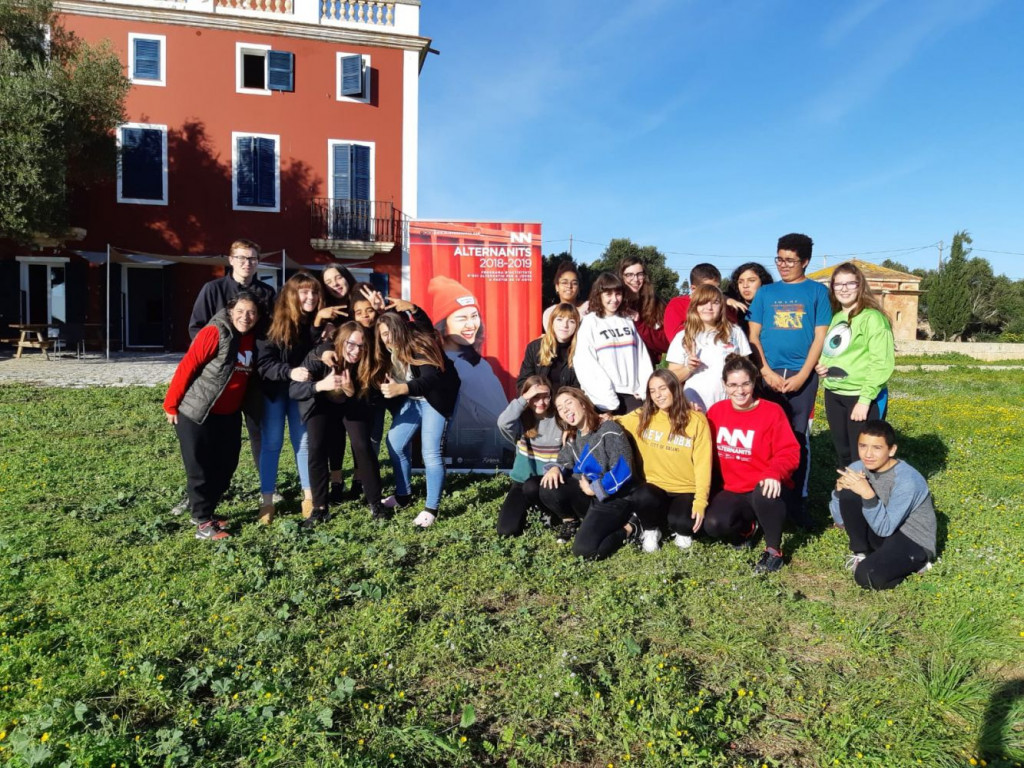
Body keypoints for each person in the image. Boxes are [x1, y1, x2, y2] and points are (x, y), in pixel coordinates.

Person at [172, 239, 275, 516]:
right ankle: (196, 497)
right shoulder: (213, 289)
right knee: (203, 445)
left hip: (251, 376)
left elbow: (273, 331)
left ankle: (266, 491)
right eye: (242, 258)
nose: (247, 263)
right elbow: (197, 330)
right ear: (231, 260)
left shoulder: (267, 293)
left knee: (257, 435)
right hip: (216, 379)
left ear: (258, 262)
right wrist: (218, 357)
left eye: (252, 258)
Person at [747, 233, 832, 525]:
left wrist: (804, 375)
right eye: (779, 259)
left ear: (805, 261)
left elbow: (820, 336)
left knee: (798, 438)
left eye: (790, 261)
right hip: (767, 375)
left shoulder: (817, 293)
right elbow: (753, 335)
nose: (783, 265)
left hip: (801, 377)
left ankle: (798, 501)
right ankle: (763, 498)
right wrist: (765, 372)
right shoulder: (766, 293)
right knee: (764, 437)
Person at [164, 293, 261, 540]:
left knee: (226, 464)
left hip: (227, 414)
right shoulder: (215, 332)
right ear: (230, 311)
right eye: (240, 311)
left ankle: (204, 512)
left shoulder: (253, 338)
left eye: (251, 312)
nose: (245, 317)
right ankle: (203, 524)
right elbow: (188, 366)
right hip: (197, 412)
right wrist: (171, 405)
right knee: (200, 467)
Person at [704, 356, 800, 574]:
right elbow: (702, 446)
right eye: (733, 385)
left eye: (745, 383)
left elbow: (790, 451)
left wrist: (774, 472)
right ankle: (749, 528)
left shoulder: (772, 411)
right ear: (724, 385)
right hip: (732, 488)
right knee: (714, 525)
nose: (740, 390)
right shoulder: (717, 411)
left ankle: (774, 550)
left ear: (754, 382)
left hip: (764, 487)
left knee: (765, 492)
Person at [815, 263, 895, 521]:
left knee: (866, 456)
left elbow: (881, 362)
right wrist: (823, 366)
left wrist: (865, 399)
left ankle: (872, 508)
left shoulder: (873, 318)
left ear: (860, 286)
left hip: (861, 397)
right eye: (839, 284)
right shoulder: (837, 316)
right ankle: (845, 508)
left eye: (850, 283)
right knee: (844, 453)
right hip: (834, 393)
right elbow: (838, 351)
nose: (844, 289)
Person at [290, 321, 387, 526]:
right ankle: (320, 508)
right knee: (316, 446)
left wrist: (352, 391)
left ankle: (376, 504)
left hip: (351, 405)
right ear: (341, 342)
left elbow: (371, 401)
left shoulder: (368, 363)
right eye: (351, 344)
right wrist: (320, 385)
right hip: (321, 404)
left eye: (362, 346)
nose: (356, 351)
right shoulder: (320, 356)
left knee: (362, 445)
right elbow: (294, 390)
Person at [373, 309, 461, 528]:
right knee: (395, 443)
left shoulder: (419, 344)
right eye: (383, 334)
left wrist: (401, 388)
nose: (388, 338)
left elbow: (430, 379)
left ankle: (431, 509)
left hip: (436, 398)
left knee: (430, 452)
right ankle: (403, 496)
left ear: (401, 329)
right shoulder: (384, 351)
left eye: (391, 331)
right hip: (412, 398)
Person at [829, 420, 936, 589]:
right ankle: (862, 554)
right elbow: (840, 520)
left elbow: (885, 528)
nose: (868, 454)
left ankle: (917, 563)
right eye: (863, 446)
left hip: (912, 539)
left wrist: (868, 494)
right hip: (884, 531)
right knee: (850, 491)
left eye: (877, 448)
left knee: (867, 577)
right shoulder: (857, 467)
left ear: (892, 450)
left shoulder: (907, 480)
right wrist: (837, 492)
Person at [616, 370, 712, 552]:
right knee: (641, 496)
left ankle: (675, 524)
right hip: (654, 488)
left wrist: (701, 501)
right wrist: (580, 424)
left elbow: (703, 465)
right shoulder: (642, 416)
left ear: (675, 388)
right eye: (652, 391)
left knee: (683, 524)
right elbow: (614, 422)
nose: (658, 395)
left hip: (685, 489)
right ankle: (651, 530)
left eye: (662, 388)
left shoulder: (697, 420)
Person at [538, 387, 637, 559]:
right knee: (548, 486)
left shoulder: (609, 429)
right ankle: (575, 522)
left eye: (568, 402)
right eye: (560, 408)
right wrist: (554, 468)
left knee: (585, 552)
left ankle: (631, 527)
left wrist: (596, 489)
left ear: (583, 403)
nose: (565, 409)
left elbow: (624, 468)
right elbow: (563, 460)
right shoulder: (574, 436)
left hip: (615, 498)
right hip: (589, 496)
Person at [255, 272, 322, 524]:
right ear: (291, 294)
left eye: (314, 292)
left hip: (300, 393)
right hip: (274, 391)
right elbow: (263, 363)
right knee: (271, 444)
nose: (311, 297)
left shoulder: (312, 323)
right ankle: (267, 501)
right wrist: (289, 371)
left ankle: (309, 497)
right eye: (305, 291)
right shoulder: (272, 322)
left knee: (303, 443)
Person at [429, 276, 509, 468]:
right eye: (462, 318)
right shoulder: (453, 365)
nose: (471, 324)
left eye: (474, 316)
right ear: (443, 324)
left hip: (487, 451)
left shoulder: (478, 363)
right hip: (464, 450)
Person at [572, 272, 654, 414]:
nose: (614, 299)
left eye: (618, 294)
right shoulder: (590, 322)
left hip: (633, 396)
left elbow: (642, 358)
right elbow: (585, 363)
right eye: (608, 294)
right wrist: (608, 399)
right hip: (605, 401)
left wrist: (643, 392)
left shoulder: (627, 320)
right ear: (599, 295)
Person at [665, 284, 751, 412]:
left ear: (721, 306)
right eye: (703, 302)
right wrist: (689, 368)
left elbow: (746, 371)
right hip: (695, 405)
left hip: (729, 404)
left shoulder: (735, 332)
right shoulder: (683, 336)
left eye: (715, 302)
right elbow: (671, 378)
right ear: (695, 306)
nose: (709, 307)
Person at [311, 265, 356, 502]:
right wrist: (320, 326)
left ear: (346, 277)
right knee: (335, 433)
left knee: (361, 433)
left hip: (361, 379)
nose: (335, 282)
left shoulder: (361, 304)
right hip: (332, 380)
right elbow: (311, 343)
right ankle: (336, 481)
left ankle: (359, 480)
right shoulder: (325, 311)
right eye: (328, 280)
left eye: (338, 276)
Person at [495, 376, 562, 536]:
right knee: (506, 530)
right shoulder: (520, 421)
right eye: (535, 397)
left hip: (552, 483)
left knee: (533, 486)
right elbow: (503, 423)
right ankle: (533, 507)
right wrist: (524, 398)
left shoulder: (559, 419)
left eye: (545, 396)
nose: (541, 402)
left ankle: (550, 511)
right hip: (522, 482)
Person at [516, 302, 581, 392]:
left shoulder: (581, 350)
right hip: (539, 402)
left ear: (576, 326)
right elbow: (523, 383)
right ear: (552, 322)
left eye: (571, 321)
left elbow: (582, 386)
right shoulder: (535, 347)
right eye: (560, 319)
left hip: (568, 403)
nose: (565, 325)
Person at [619, 256, 668, 364]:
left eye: (639, 274)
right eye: (629, 275)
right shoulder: (614, 302)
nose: (635, 279)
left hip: (646, 368)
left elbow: (665, 343)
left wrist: (639, 324)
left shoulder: (656, 304)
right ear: (621, 277)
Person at [663, 263, 724, 342]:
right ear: (693, 288)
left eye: (717, 288)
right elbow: (675, 338)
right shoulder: (677, 305)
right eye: (706, 289)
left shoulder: (721, 304)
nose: (713, 292)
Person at [725, 262, 774, 339]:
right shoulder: (732, 305)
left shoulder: (774, 305)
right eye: (740, 282)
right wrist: (726, 299)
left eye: (751, 280)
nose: (745, 285)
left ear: (762, 282)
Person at [542, 260, 589, 329]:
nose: (569, 286)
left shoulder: (590, 307)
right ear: (557, 287)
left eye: (574, 283)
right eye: (564, 283)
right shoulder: (550, 313)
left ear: (579, 288)